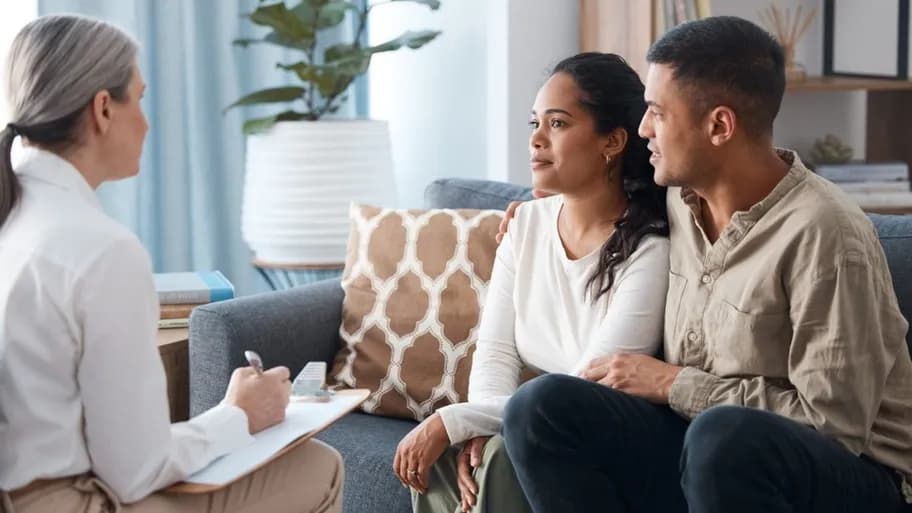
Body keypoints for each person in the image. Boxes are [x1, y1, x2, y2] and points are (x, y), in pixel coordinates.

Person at [498, 16, 912, 513]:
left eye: (656, 112)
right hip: (702, 452)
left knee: (723, 437)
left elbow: (833, 426)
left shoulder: (827, 233)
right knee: (542, 407)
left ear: (719, 125)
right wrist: (535, 209)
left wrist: (675, 383)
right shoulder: (676, 194)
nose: (643, 128)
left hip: (850, 477)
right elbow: (600, 181)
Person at [0, 15, 343, 513]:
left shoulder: (16, 220)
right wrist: (238, 415)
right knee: (319, 467)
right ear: (102, 109)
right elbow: (136, 472)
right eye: (138, 99)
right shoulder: (102, 249)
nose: (146, 121)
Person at [393, 52, 671, 513]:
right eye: (534, 123)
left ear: (613, 141)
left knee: (500, 456)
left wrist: (455, 420)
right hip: (527, 419)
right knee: (458, 456)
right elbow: (497, 350)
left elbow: (584, 389)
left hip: (598, 437)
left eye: (558, 124)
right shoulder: (525, 226)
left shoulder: (650, 248)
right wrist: (474, 428)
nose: (536, 140)